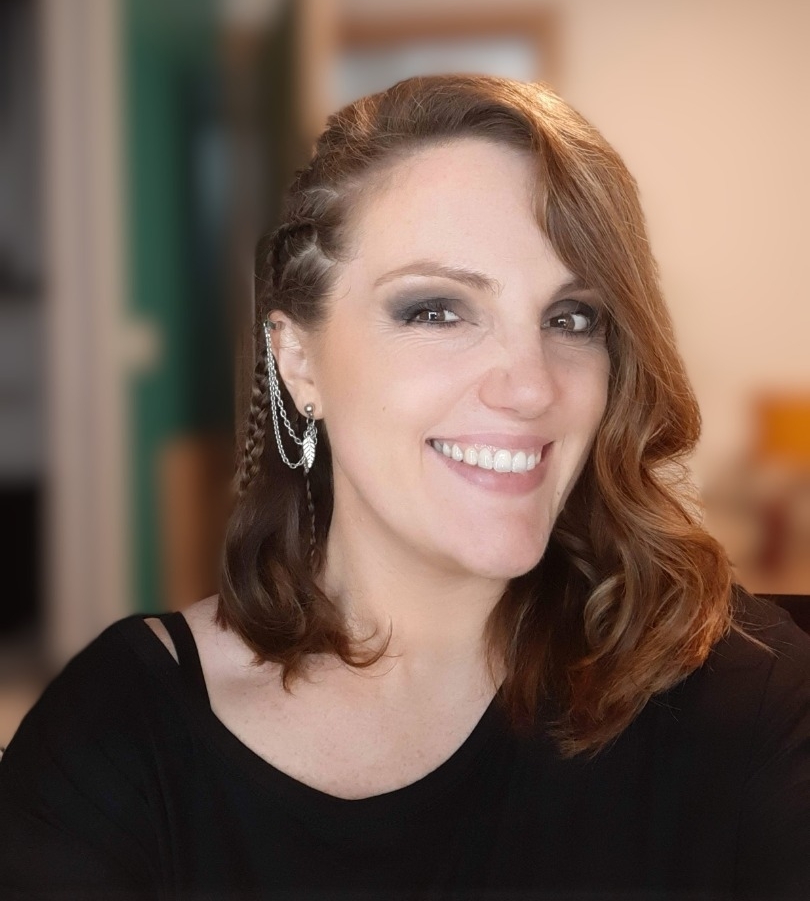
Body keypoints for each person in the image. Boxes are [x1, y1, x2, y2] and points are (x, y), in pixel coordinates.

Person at [1, 74, 808, 900]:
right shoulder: (115, 743)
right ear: (297, 360)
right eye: (437, 311)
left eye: (572, 318)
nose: (531, 387)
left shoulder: (737, 692)